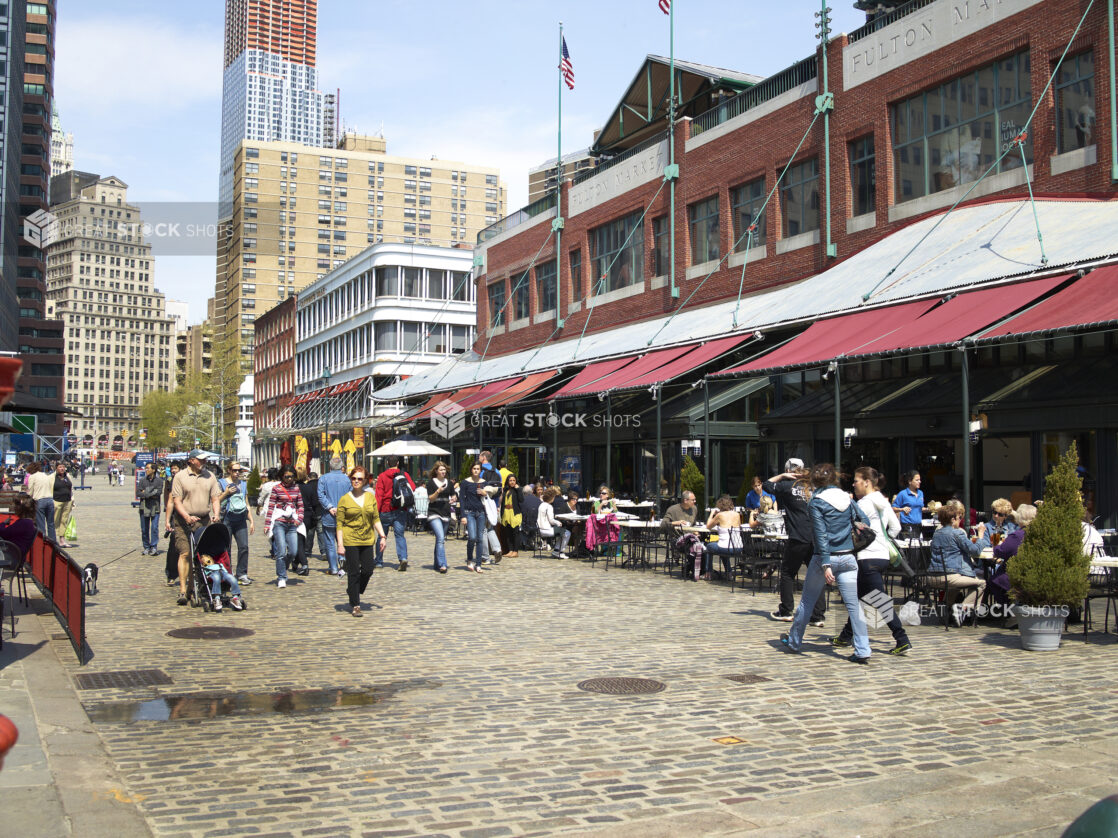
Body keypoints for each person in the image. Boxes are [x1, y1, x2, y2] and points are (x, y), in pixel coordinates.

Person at [781, 463, 874, 664]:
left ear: (814, 481)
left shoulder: (816, 502)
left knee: (807, 601)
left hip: (825, 558)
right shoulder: (846, 498)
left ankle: (795, 641)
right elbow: (865, 520)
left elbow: (821, 535)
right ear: (834, 478)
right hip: (848, 557)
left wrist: (825, 564)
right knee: (853, 606)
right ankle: (863, 649)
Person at [832, 466, 912, 656]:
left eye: (856, 481)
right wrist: (882, 541)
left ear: (867, 482)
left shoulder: (865, 503)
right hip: (882, 556)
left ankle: (902, 638)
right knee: (859, 599)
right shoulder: (883, 502)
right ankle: (845, 636)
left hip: (867, 557)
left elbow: (849, 525)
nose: (853, 484)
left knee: (879, 599)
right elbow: (896, 527)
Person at [766, 459, 826, 626]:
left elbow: (766, 485)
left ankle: (786, 610)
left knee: (787, 573)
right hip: (815, 537)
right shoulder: (813, 487)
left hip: (798, 536)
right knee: (816, 575)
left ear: (788, 470)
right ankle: (818, 616)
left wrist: (782, 476)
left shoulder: (787, 486)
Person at [170, 451, 222, 605]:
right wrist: (186, 516)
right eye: (200, 459)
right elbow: (177, 501)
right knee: (185, 553)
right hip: (183, 521)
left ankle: (196, 587)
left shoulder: (210, 476)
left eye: (205, 459)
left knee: (201, 555)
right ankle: (183, 590)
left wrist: (216, 514)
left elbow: (215, 498)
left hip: (203, 520)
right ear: (192, 460)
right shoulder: (180, 477)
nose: (204, 461)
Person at [336, 466, 388, 617]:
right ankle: (355, 605)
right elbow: (339, 524)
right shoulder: (344, 499)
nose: (356, 481)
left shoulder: (370, 497)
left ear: (365, 480)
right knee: (353, 572)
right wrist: (340, 544)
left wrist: (382, 536)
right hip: (350, 539)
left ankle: (354, 590)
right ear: (350, 479)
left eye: (360, 478)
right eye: (354, 478)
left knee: (368, 570)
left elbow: (375, 518)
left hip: (367, 539)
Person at [929, 503, 988, 624]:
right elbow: (975, 550)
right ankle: (962, 608)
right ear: (952, 519)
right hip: (949, 576)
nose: (960, 520)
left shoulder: (936, 533)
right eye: (959, 518)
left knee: (956, 584)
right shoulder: (957, 533)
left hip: (932, 577)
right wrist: (981, 536)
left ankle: (946, 610)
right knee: (981, 583)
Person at [263, 465, 304, 588]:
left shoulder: (296, 489)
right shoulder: (277, 488)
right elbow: (271, 506)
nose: (289, 479)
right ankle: (281, 577)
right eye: (287, 477)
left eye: (292, 476)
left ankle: (283, 567)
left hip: (292, 524)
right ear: (282, 476)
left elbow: (301, 506)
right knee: (281, 551)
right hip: (279, 523)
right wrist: (267, 524)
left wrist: (299, 520)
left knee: (293, 552)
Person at [373, 455, 416, 571]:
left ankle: (379, 561)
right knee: (400, 535)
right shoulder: (404, 474)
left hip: (385, 510)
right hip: (400, 509)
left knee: (382, 536)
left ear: (387, 463)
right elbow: (413, 487)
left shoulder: (382, 476)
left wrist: (376, 511)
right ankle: (403, 558)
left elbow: (379, 495)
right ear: (397, 463)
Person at [218, 461, 254, 583]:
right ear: (229, 470)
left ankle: (242, 573)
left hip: (241, 519)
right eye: (234, 470)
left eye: (239, 470)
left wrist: (252, 521)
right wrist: (226, 493)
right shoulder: (222, 483)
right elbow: (216, 500)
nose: (237, 473)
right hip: (227, 518)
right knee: (226, 548)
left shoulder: (243, 484)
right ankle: (228, 573)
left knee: (244, 546)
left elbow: (246, 503)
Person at [317, 456, 350, 578]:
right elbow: (350, 495)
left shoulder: (323, 479)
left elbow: (320, 495)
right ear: (342, 467)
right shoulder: (347, 479)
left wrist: (330, 507)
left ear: (329, 466)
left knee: (330, 541)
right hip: (344, 514)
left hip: (328, 514)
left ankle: (334, 568)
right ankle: (343, 564)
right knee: (343, 540)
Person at [702, 495, 744, 580]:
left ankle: (708, 573)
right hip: (738, 547)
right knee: (723, 546)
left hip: (726, 547)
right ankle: (729, 573)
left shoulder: (720, 515)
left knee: (709, 546)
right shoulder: (737, 515)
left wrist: (711, 514)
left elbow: (708, 526)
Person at [460, 461, 492, 572]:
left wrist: (485, 493)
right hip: (469, 512)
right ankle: (469, 560)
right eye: (474, 468)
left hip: (481, 512)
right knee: (472, 537)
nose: (476, 471)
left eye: (478, 469)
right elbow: (462, 499)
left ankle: (478, 564)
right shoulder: (465, 482)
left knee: (480, 539)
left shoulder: (484, 482)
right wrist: (463, 515)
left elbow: (491, 494)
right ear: (471, 469)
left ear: (480, 470)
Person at [425, 461, 456, 573]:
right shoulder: (431, 483)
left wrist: (454, 498)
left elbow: (453, 494)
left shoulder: (449, 483)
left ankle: (436, 563)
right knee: (441, 538)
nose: (443, 472)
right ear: (436, 471)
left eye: (444, 470)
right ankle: (443, 564)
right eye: (441, 470)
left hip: (445, 513)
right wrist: (438, 491)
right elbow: (431, 499)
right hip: (434, 512)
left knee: (439, 539)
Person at [292, 468, 318, 576]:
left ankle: (304, 564)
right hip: (308, 516)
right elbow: (315, 502)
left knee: (299, 542)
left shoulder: (293, 488)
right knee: (301, 540)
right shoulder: (309, 488)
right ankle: (295, 562)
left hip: (296, 515)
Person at [136, 462, 164, 555]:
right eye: (146, 468)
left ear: (154, 470)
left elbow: (158, 492)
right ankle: (146, 546)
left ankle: (154, 546)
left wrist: (146, 492)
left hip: (155, 507)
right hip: (144, 507)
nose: (146, 470)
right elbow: (138, 493)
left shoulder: (159, 481)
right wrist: (151, 491)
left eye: (148, 468)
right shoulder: (142, 480)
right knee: (144, 529)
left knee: (154, 528)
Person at [0, 494, 38, 559]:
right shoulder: (28, 522)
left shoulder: (24, 523)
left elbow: (3, 533)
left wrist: (3, 523)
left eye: (16, 505)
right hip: (14, 554)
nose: (14, 507)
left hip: (11, 556)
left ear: (21, 508)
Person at [26, 462, 56, 544]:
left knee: (41, 524)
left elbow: (30, 491)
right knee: (51, 524)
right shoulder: (45, 475)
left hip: (40, 500)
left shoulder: (32, 477)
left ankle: (42, 542)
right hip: (50, 500)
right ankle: (53, 543)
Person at [537, 487, 571, 558]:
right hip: (546, 530)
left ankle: (557, 549)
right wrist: (558, 523)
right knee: (567, 533)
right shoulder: (549, 506)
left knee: (562, 532)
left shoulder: (541, 505)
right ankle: (559, 551)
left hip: (540, 529)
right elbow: (551, 521)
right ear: (552, 498)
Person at [163, 461, 182, 585]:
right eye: (172, 468)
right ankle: (171, 574)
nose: (173, 470)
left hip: (189, 514)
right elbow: (168, 498)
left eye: (175, 468)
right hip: (175, 516)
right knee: (174, 546)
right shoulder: (170, 480)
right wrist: (167, 517)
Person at [892, 470, 925, 538]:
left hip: (919, 525)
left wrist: (931, 509)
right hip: (907, 526)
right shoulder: (903, 494)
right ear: (910, 481)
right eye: (917, 480)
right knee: (911, 547)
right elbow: (892, 508)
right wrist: (902, 509)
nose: (920, 482)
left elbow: (920, 508)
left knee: (918, 547)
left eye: (920, 480)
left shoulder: (920, 493)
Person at [497, 473, 523, 558]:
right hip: (506, 512)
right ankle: (510, 550)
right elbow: (502, 502)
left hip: (514, 513)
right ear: (508, 481)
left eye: (513, 480)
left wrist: (518, 489)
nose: (512, 482)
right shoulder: (505, 490)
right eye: (510, 480)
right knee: (508, 533)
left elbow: (521, 500)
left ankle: (516, 551)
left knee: (515, 532)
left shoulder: (518, 489)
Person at [52, 461, 74, 548]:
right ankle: (54, 539)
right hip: (57, 501)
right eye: (60, 467)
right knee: (55, 520)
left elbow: (71, 488)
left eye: (63, 467)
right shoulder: (52, 477)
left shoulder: (67, 476)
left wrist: (73, 500)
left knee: (64, 521)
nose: (62, 469)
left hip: (67, 501)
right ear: (56, 468)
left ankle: (62, 540)